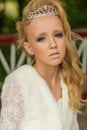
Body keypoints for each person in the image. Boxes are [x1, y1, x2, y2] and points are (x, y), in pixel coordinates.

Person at [0, 0, 86, 130]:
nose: (53, 44)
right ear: (29, 48)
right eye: (42, 38)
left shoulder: (68, 80)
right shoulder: (20, 85)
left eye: (58, 35)